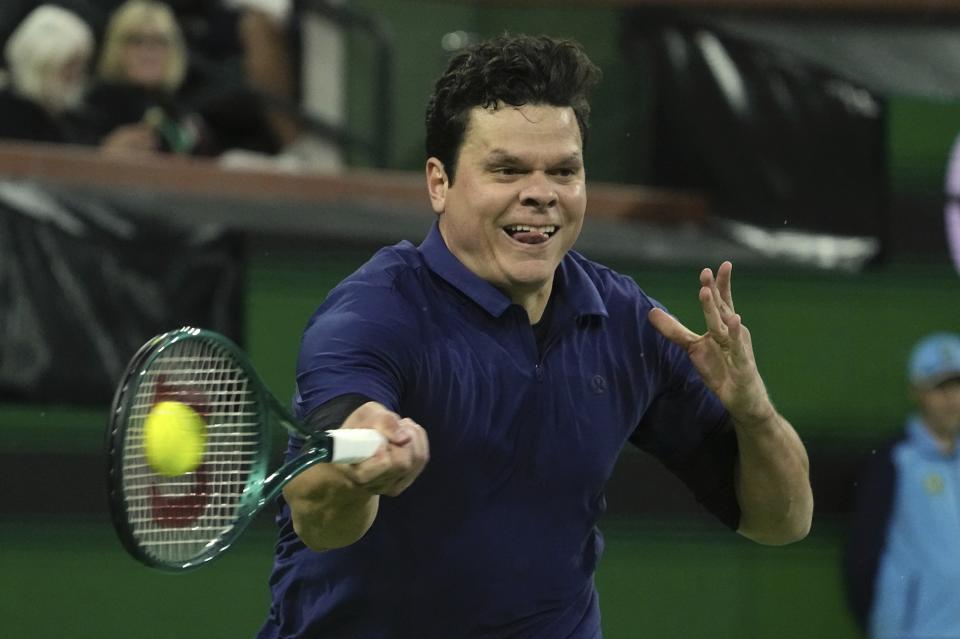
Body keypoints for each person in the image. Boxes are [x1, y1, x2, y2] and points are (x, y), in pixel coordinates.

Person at [258, 34, 813, 639]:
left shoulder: (629, 321)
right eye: (507, 170)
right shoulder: (371, 314)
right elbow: (318, 514)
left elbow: (780, 520)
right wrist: (358, 468)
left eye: (563, 171)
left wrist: (755, 414)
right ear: (439, 183)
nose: (541, 193)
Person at [843, 332, 960, 639]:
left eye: (958, 385)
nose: (953, 398)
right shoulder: (893, 461)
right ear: (917, 391)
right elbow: (861, 554)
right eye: (941, 387)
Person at [84, 0, 215, 156]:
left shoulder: (180, 111)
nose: (149, 52)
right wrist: (104, 152)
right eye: (137, 40)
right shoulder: (93, 107)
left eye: (159, 41)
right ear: (117, 47)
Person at [0, 4, 95, 144]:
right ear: (41, 64)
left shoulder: (72, 118)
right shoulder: (8, 114)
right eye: (70, 65)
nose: (76, 75)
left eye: (80, 65)